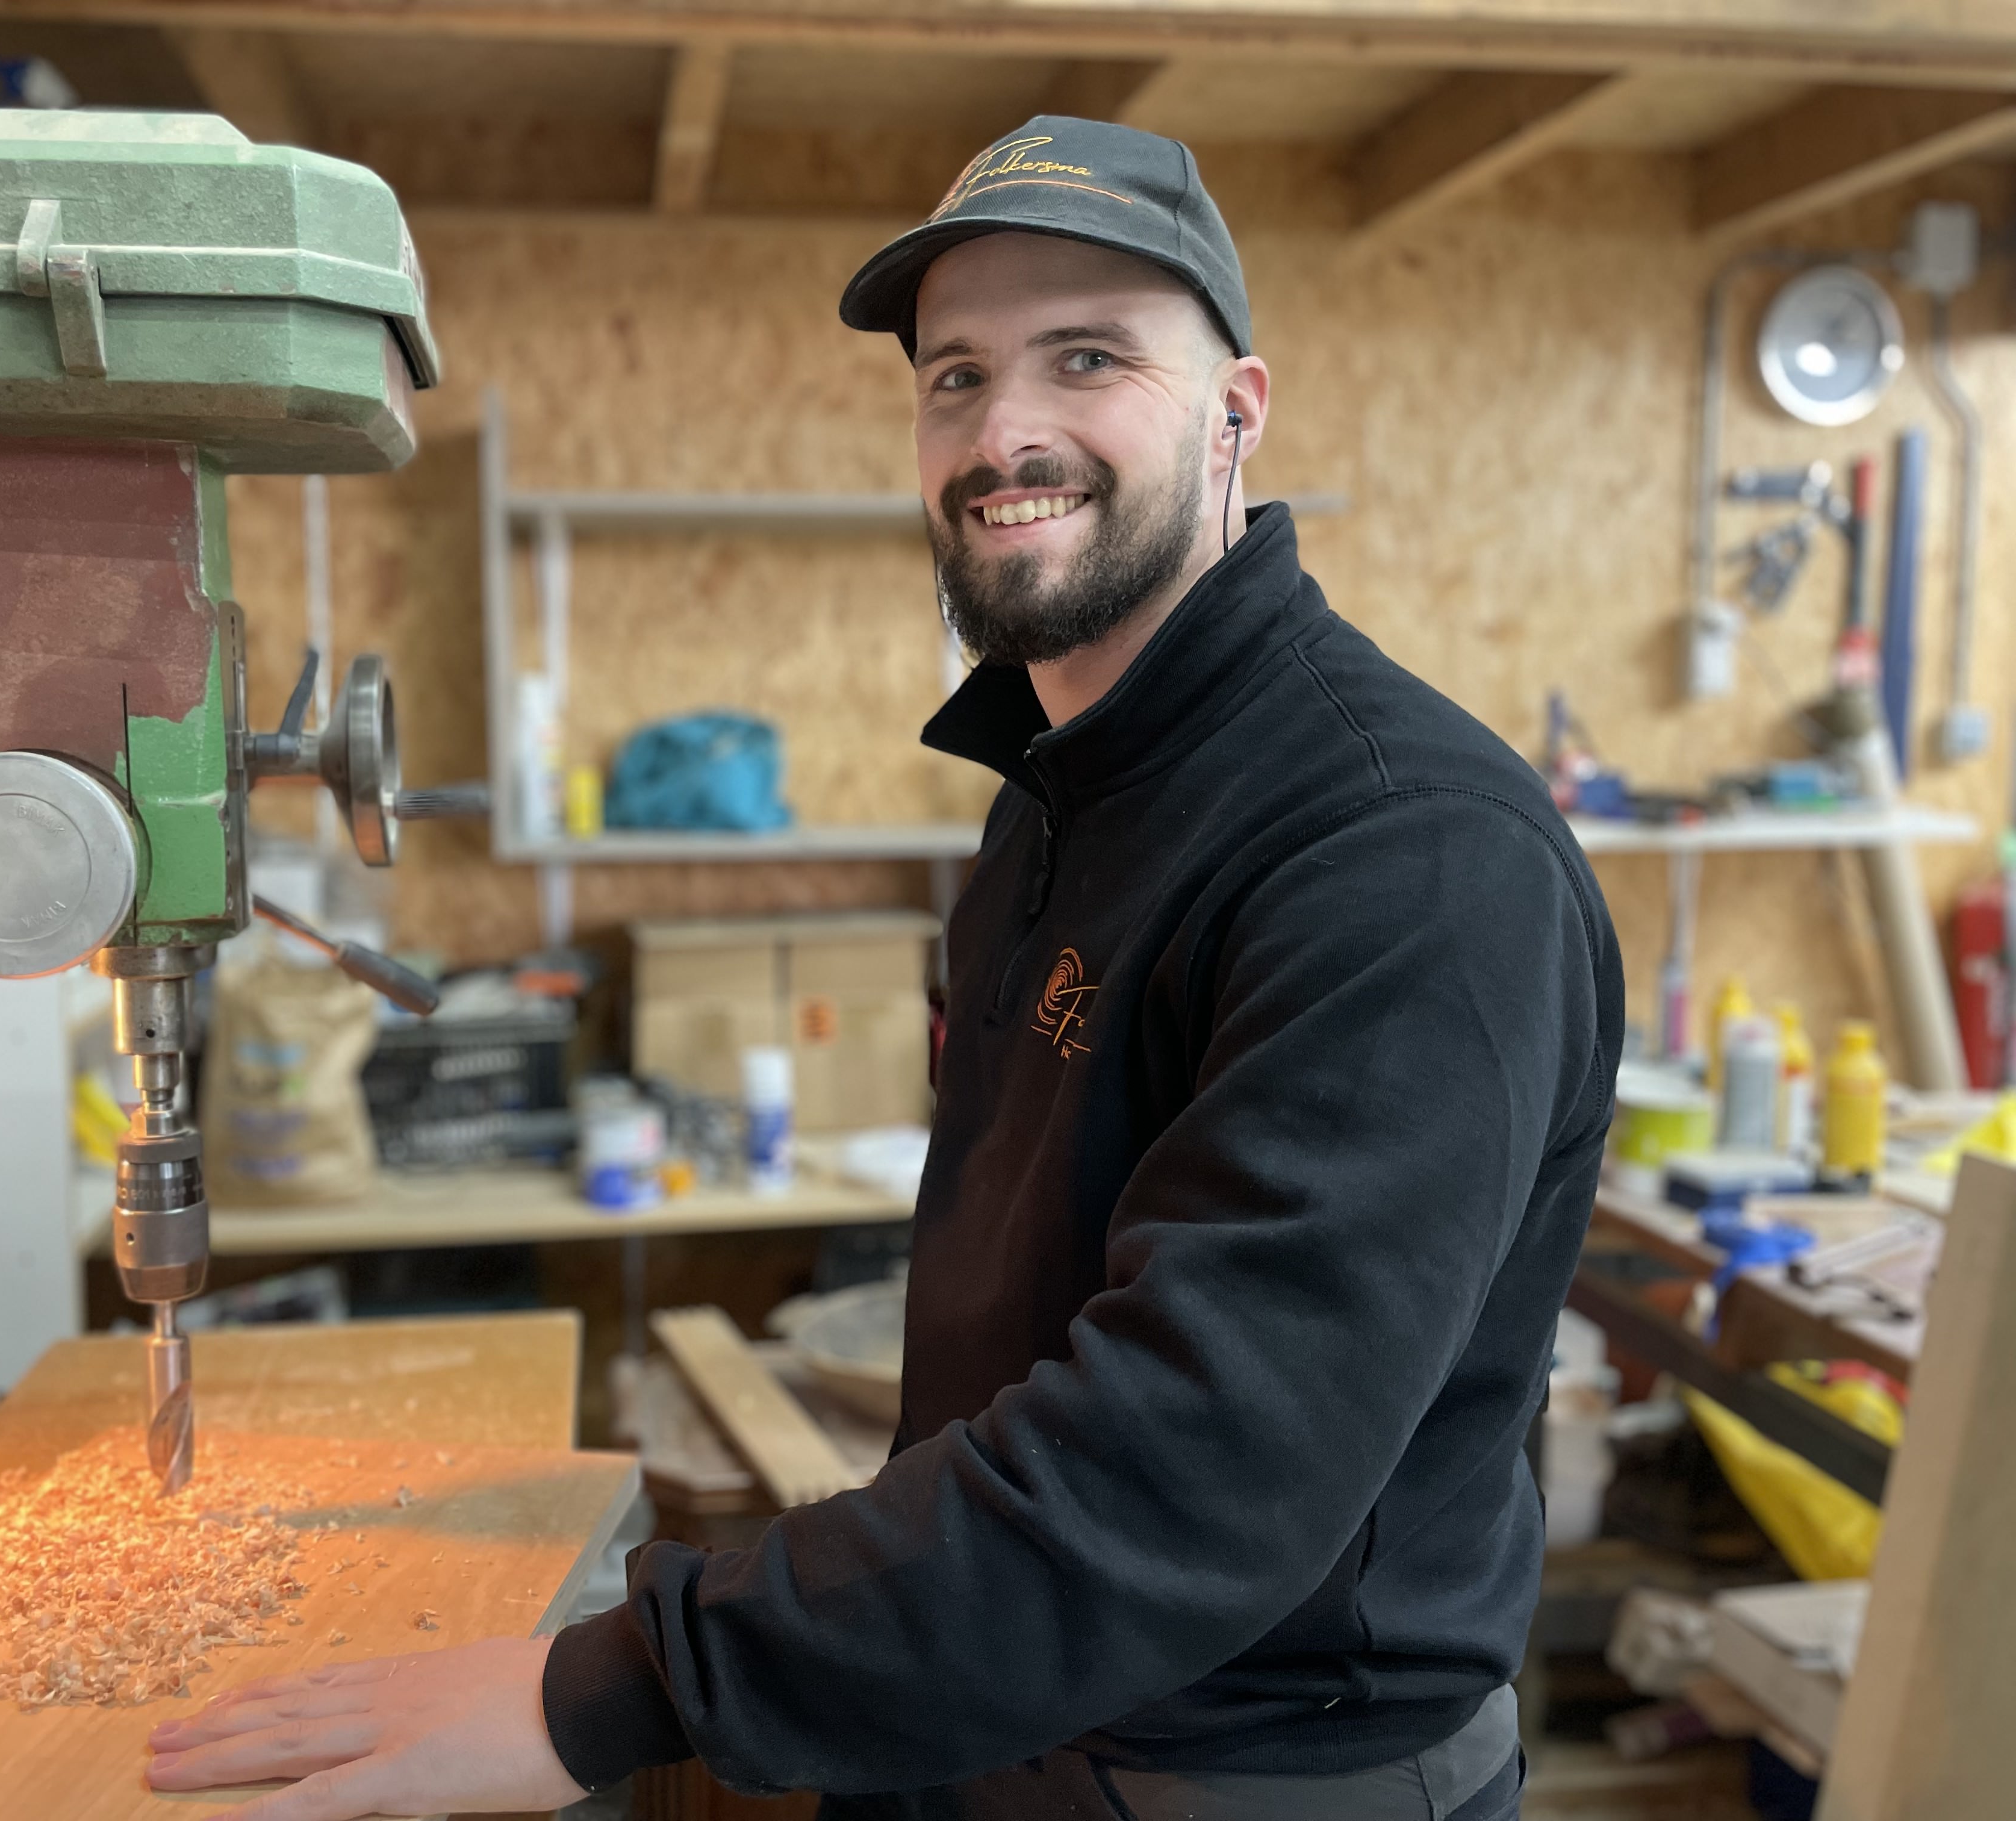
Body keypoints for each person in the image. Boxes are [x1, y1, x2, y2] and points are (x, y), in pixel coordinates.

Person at [143, 116, 1622, 1821]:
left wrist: (601, 1689)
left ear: (1237, 414)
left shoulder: (1400, 857)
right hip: (1012, 1721)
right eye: (955, 377)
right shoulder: (1062, 802)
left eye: (1089, 361)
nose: (1006, 434)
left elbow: (1181, 1482)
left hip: (1243, 1776)